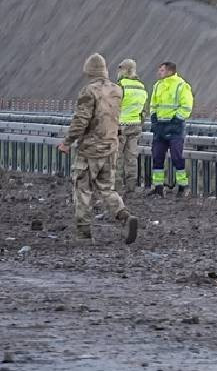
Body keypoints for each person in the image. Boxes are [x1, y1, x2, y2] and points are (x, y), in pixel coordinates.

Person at [57, 53, 139, 244]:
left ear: (89, 70)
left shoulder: (89, 91)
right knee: (107, 188)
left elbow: (81, 120)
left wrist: (67, 142)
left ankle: (83, 234)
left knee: (82, 189)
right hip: (111, 146)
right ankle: (124, 215)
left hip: (90, 150)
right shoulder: (117, 90)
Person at [148, 61, 194, 197]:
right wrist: (154, 118)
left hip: (175, 127)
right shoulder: (157, 86)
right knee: (157, 157)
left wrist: (177, 119)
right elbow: (153, 104)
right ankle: (158, 187)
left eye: (162, 70)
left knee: (176, 157)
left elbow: (187, 105)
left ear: (169, 71)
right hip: (160, 127)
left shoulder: (181, 85)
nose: (159, 73)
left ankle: (183, 186)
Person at [115, 59, 148, 194]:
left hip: (120, 126)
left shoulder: (120, 86)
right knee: (132, 158)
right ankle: (131, 187)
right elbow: (144, 110)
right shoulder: (141, 87)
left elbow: (113, 107)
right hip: (135, 126)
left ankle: (116, 187)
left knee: (116, 158)